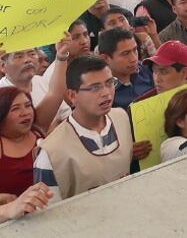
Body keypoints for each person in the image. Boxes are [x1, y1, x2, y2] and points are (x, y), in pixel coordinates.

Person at [33, 55, 142, 202]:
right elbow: (48, 213)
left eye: (110, 83)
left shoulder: (121, 118)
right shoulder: (51, 153)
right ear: (72, 95)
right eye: (95, 87)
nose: (106, 93)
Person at [0, 41, 68, 200]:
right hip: (9, 220)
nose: (25, 113)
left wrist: (62, 57)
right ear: (0, 114)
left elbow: (55, 94)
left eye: (28, 106)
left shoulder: (36, 129)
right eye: (15, 109)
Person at [98, 28, 155, 109]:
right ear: (105, 58)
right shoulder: (102, 92)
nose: (134, 58)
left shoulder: (147, 69)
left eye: (135, 50)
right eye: (125, 53)